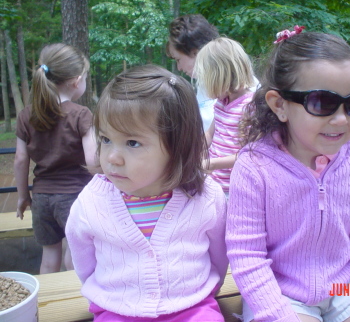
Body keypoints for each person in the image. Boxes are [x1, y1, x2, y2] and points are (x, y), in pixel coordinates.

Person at [226, 27, 350, 322]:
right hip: (280, 293)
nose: (341, 118)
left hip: (343, 285)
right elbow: (247, 255)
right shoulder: (254, 167)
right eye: (322, 103)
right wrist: (277, 313)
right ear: (280, 105)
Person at [65, 64, 228, 322]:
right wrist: (107, 298)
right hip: (117, 309)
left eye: (132, 143)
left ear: (177, 146)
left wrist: (207, 294)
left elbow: (219, 256)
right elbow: (84, 260)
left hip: (192, 307)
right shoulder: (92, 201)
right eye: (106, 139)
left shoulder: (205, 196)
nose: (112, 158)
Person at [14, 43, 96, 274]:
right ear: (76, 81)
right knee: (74, 257)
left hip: (41, 198)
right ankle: (77, 307)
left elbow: (21, 160)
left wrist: (23, 197)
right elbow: (92, 161)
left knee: (49, 258)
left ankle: (45, 306)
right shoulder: (81, 114)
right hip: (74, 197)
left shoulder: (26, 115)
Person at [194, 37, 255, 195]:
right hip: (214, 183)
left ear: (220, 77)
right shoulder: (221, 103)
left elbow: (249, 154)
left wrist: (211, 164)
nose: (205, 86)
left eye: (206, 80)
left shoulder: (250, 108)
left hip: (234, 189)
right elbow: (210, 134)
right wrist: (193, 149)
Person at [167, 14, 220, 131]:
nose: (179, 68)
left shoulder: (238, 90)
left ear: (196, 52)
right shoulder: (203, 85)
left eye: (178, 60)